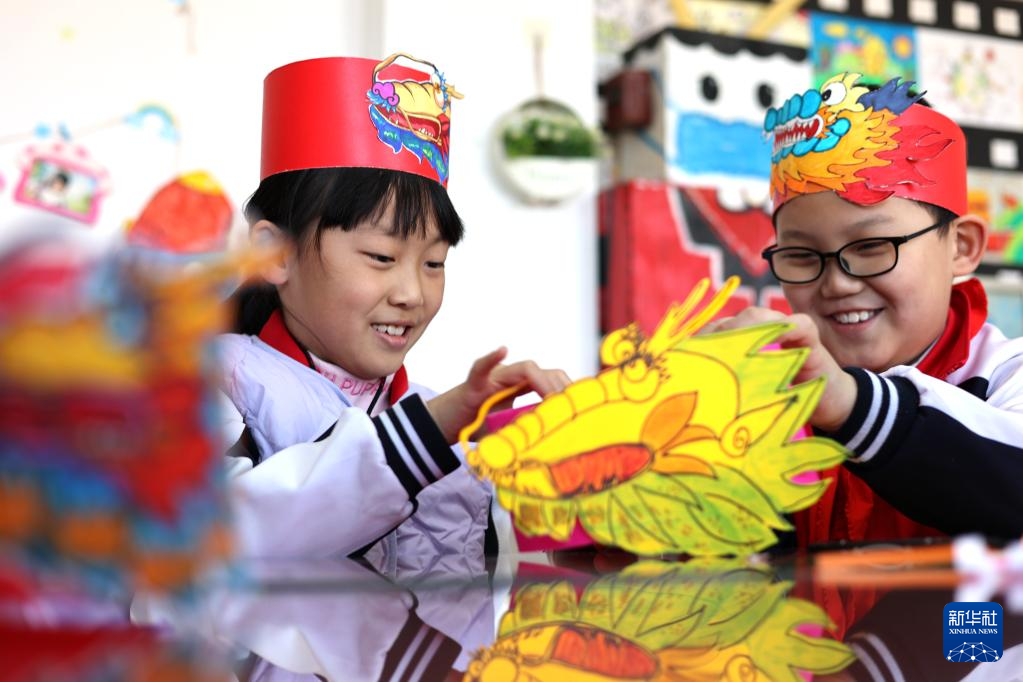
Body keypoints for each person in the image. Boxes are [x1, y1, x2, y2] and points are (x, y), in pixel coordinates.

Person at [218, 54, 570, 568]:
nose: (412, 293)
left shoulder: (447, 419)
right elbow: (224, 547)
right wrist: (427, 431)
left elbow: (497, 570)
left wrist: (585, 502)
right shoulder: (208, 389)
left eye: (434, 263)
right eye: (382, 257)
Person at [708, 72, 1023, 545]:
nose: (837, 283)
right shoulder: (772, 395)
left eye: (872, 246)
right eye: (801, 255)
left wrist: (847, 405)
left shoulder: (1005, 376)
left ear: (961, 246)